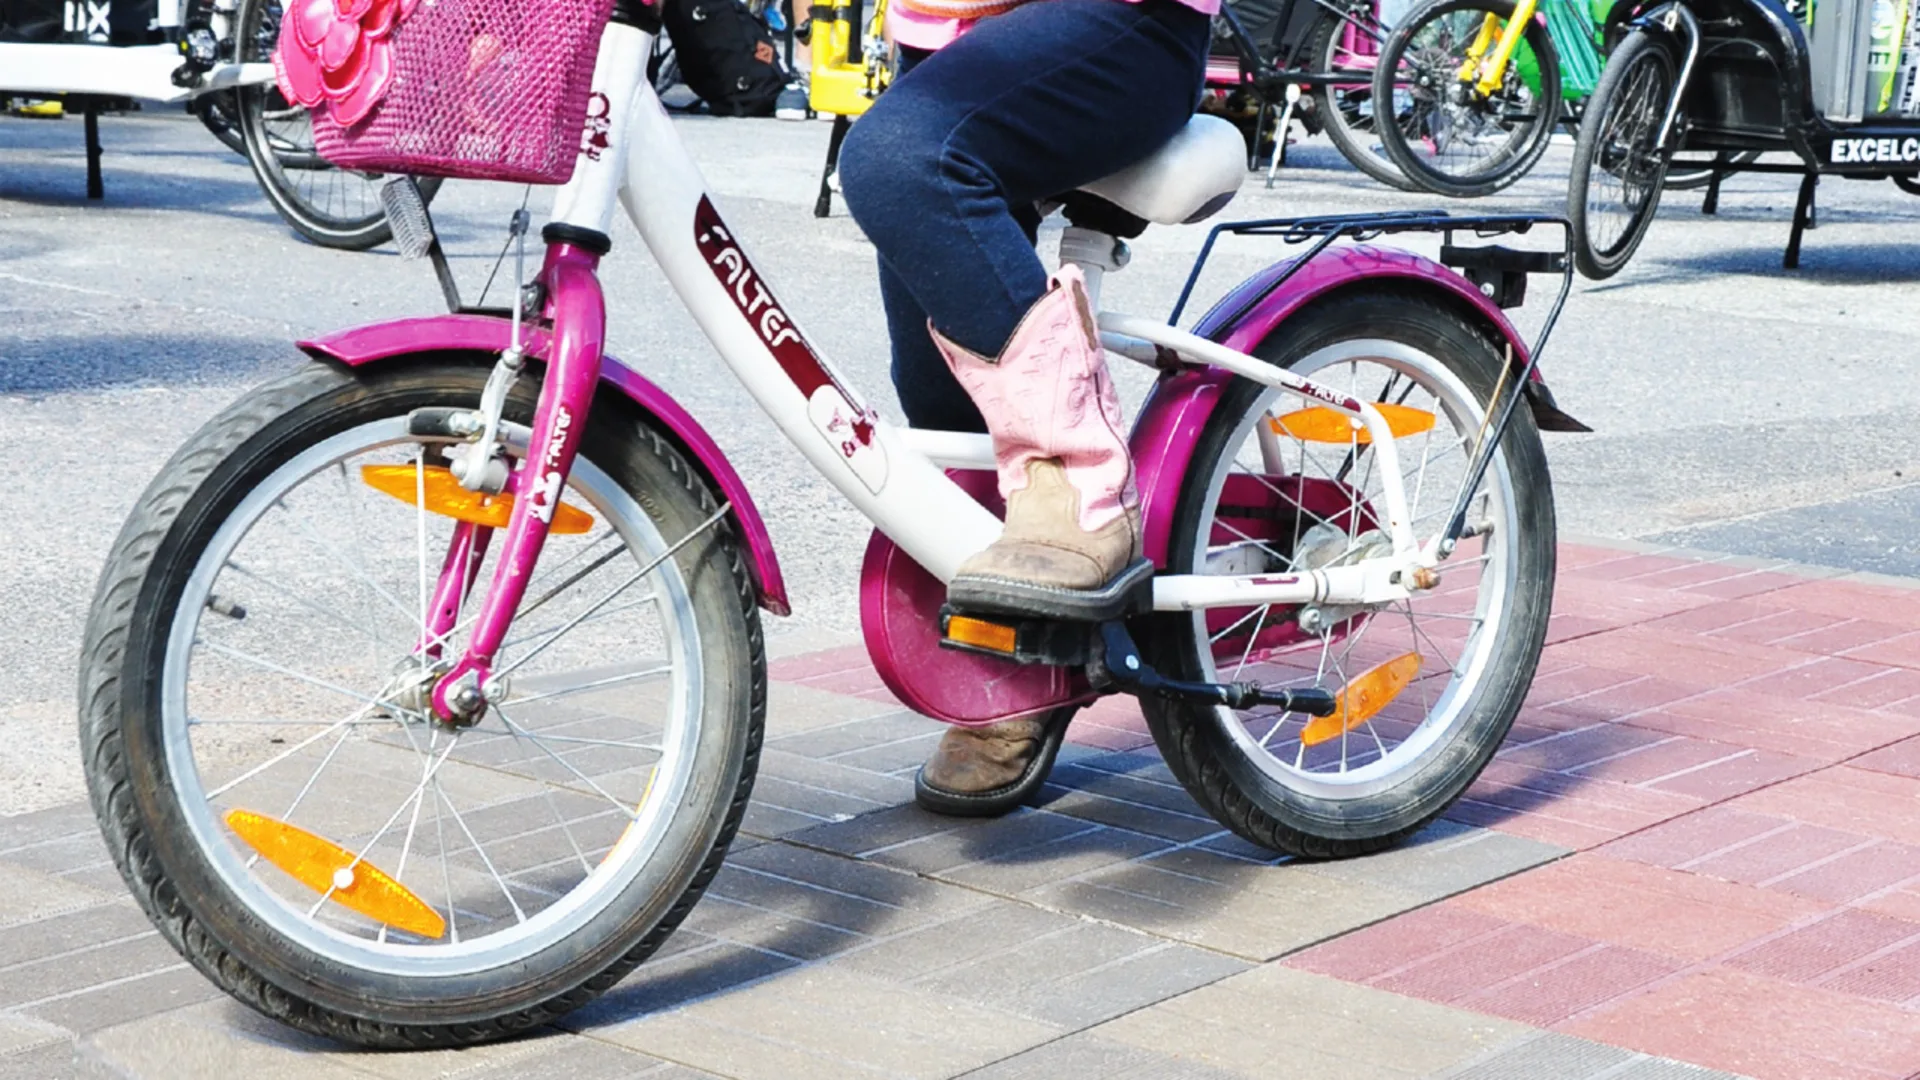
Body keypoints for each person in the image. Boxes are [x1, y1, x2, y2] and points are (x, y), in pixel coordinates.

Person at [836, 0, 1215, 816]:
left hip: (1122, 19)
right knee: (940, 391)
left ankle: (1081, 487)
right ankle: (1026, 643)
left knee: (905, 158)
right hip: (942, 31)